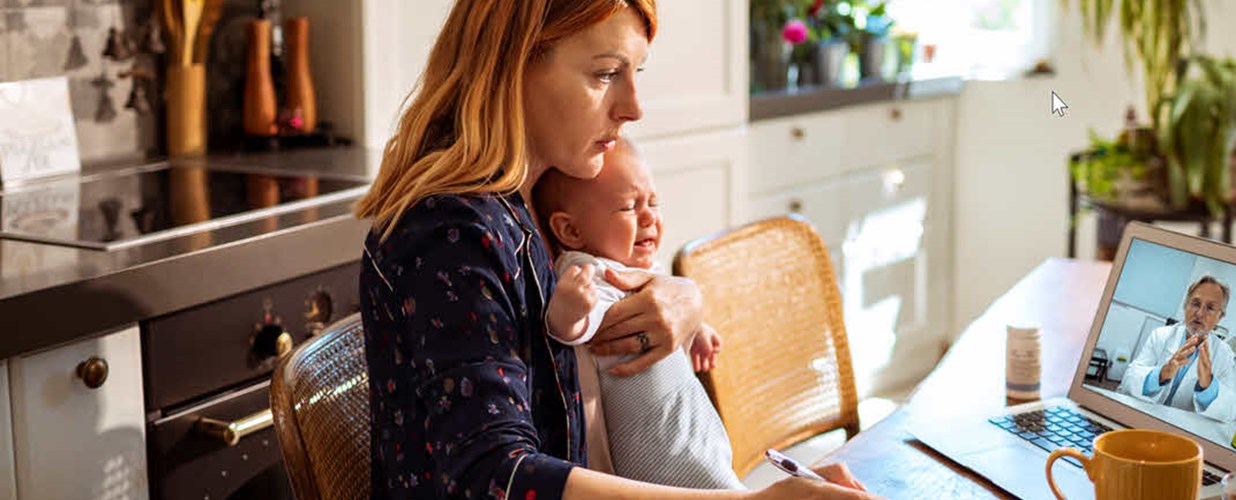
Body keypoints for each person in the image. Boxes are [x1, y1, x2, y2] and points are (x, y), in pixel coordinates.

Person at [352, 1, 876, 498]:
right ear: (513, 67)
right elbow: (494, 478)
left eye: (635, 75)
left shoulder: (526, 206)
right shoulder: (452, 233)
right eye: (605, 74)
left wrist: (681, 296)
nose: (633, 107)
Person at [534, 137, 741, 490]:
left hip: (685, 433)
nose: (650, 217)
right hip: (656, 453)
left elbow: (665, 312)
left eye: (653, 202)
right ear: (571, 230)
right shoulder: (588, 271)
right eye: (629, 207)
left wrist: (696, 329)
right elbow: (572, 332)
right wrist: (570, 313)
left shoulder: (634, 267)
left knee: (717, 474)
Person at [1117, 276, 1236, 423]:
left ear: (1219, 317)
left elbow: (1230, 411)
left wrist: (1208, 385)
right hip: (1143, 417)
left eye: (1210, 308)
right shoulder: (1161, 335)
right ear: (1185, 305)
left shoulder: (1224, 355)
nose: (1200, 314)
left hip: (1182, 430)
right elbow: (1128, 379)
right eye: (1195, 304)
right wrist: (1161, 374)